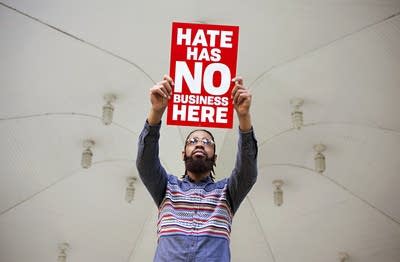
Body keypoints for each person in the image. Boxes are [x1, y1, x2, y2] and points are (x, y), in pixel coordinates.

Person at [136, 75, 258, 262]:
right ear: (183, 153)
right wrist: (156, 112)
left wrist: (244, 116)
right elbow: (145, 162)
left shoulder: (228, 193)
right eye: (193, 141)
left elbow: (247, 171)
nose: (200, 144)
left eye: (207, 142)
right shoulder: (166, 187)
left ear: (215, 157)